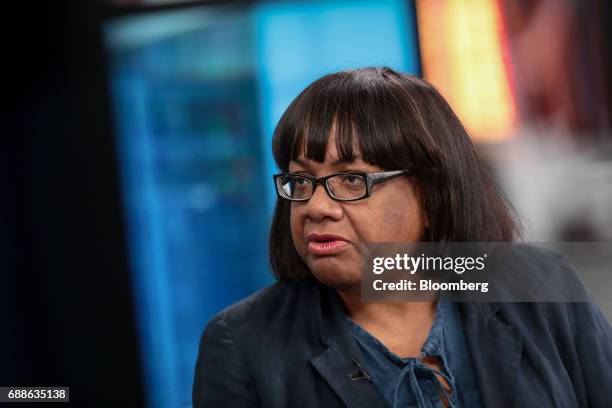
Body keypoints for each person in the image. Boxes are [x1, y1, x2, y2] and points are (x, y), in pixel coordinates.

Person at [192, 67, 612, 407]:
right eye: (301, 181)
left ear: (431, 194)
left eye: (352, 179)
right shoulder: (242, 342)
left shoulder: (540, 287)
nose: (316, 207)